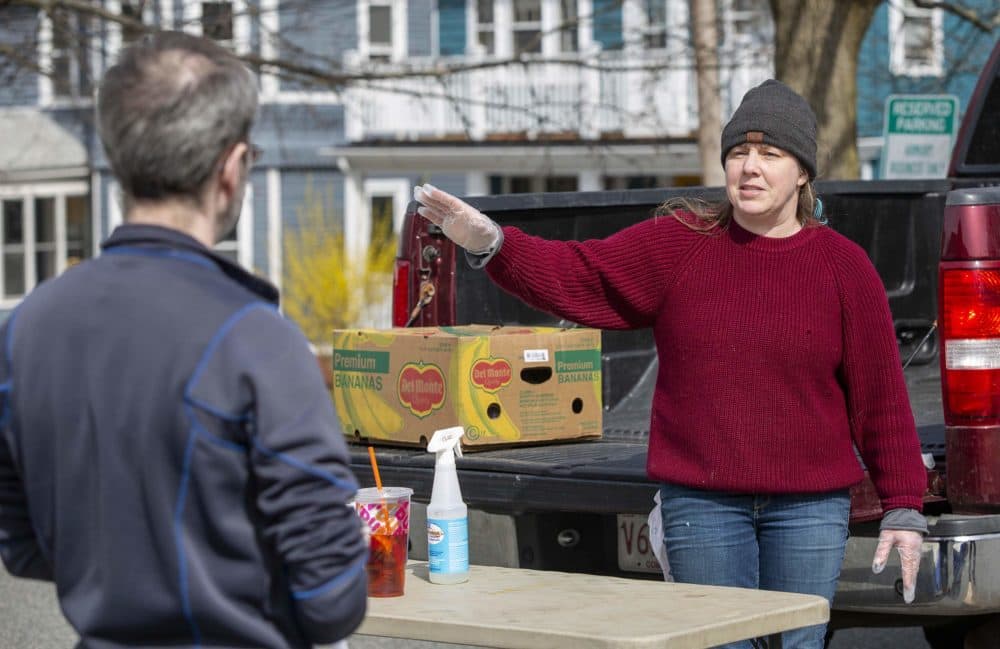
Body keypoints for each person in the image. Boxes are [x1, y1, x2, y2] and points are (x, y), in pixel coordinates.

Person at [413, 79, 927, 649]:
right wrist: (495, 245)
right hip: (703, 506)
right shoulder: (683, 244)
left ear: (802, 173)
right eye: (738, 154)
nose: (750, 168)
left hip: (808, 510)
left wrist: (904, 506)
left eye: (770, 155)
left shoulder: (843, 267)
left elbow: (880, 399)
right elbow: (582, 272)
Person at [0, 31, 367, 648]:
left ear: (121, 160)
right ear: (231, 168)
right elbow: (333, 597)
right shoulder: (257, 341)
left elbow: (22, 544)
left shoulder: (24, 329)